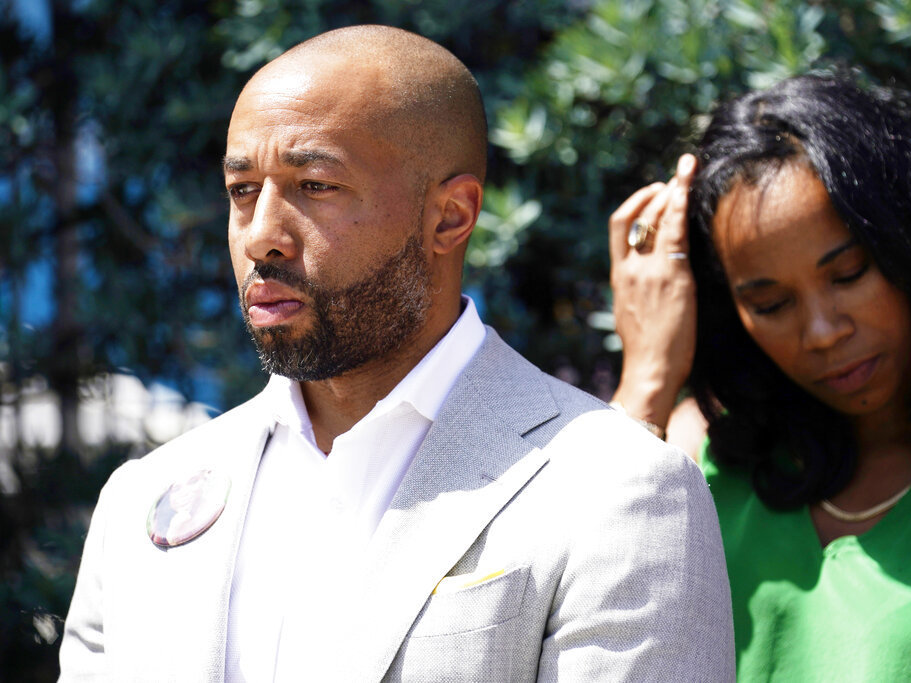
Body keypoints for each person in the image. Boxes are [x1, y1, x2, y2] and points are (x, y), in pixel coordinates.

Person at [58, 25, 733, 681]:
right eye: (242, 191)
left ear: (449, 217)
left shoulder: (618, 491)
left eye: (314, 186)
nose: (261, 234)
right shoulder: (142, 502)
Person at [609, 73, 911, 680]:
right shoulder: (699, 457)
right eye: (771, 305)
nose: (823, 331)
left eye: (849, 273)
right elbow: (562, 620)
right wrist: (649, 373)